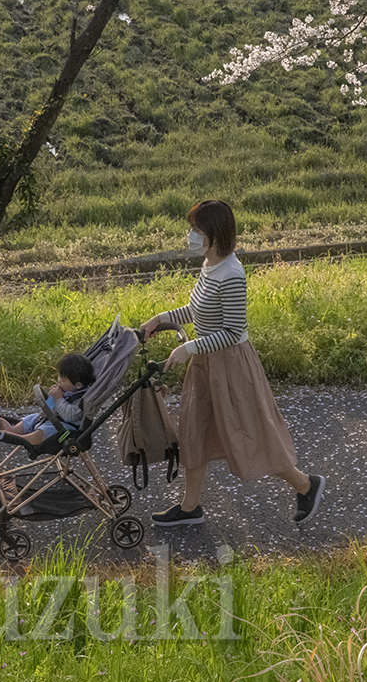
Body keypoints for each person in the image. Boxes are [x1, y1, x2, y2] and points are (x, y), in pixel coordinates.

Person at [139, 199, 325, 526]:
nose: (190, 235)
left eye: (196, 230)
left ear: (214, 233)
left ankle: (306, 485)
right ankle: (190, 507)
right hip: (205, 363)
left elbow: (233, 332)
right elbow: (199, 310)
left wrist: (190, 347)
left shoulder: (232, 274)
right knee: (193, 431)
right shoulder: (210, 264)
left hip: (232, 365)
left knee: (249, 434)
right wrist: (163, 318)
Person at [0, 353, 96, 445]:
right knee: (33, 418)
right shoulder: (68, 390)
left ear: (78, 385)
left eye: (62, 380)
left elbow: (70, 416)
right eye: (59, 377)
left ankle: (24, 439)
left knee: (45, 431)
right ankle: (13, 430)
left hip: (67, 429)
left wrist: (58, 398)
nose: (58, 381)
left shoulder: (81, 399)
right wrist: (52, 397)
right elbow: (48, 408)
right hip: (55, 419)